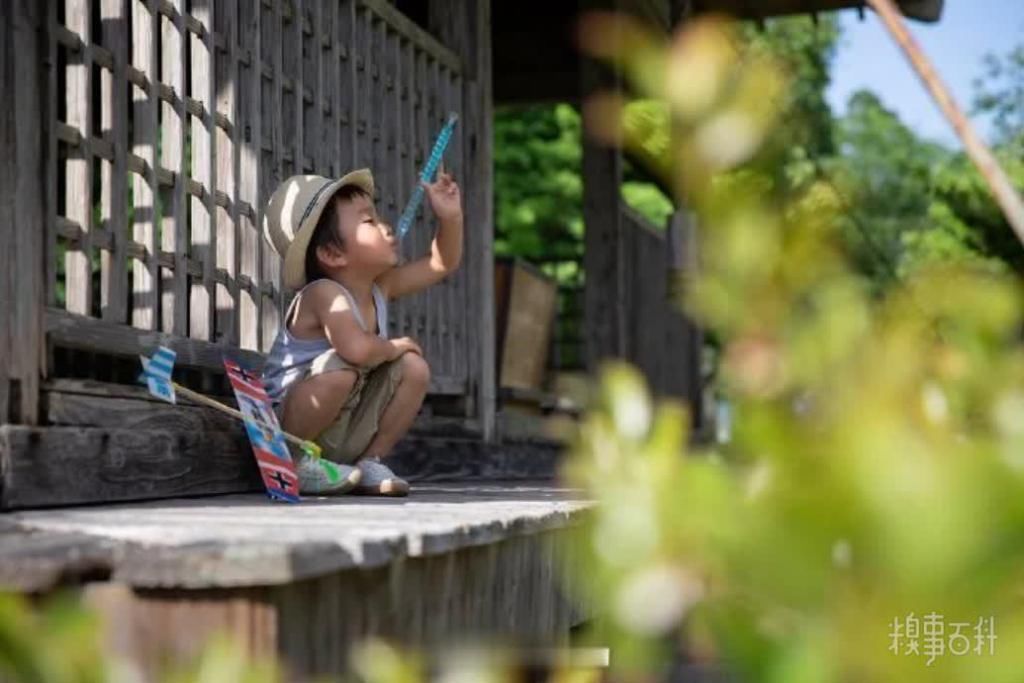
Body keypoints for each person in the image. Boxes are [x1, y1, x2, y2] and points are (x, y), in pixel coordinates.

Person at [262, 166, 463, 496]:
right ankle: (295, 464)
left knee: (414, 368)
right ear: (332, 253)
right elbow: (355, 349)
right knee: (341, 369)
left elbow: (441, 264)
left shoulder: (378, 288)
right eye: (369, 221)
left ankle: (369, 461)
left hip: (339, 426)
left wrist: (450, 219)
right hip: (285, 433)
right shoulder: (323, 294)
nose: (384, 225)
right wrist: (395, 346)